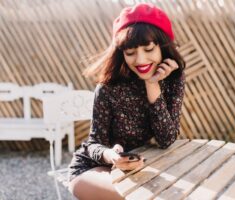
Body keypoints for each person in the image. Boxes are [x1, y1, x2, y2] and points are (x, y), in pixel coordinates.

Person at [68, 3, 186, 200]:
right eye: (130, 52)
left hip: (138, 168)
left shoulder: (173, 79)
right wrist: (112, 156)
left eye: (148, 49)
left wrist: (152, 85)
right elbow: (93, 144)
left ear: (163, 47)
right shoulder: (108, 88)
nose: (140, 60)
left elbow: (166, 139)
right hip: (93, 170)